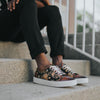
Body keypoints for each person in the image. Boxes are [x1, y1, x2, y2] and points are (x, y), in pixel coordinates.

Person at [0, 0, 88, 87]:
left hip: (19, 27)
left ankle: (58, 64)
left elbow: (43, 5)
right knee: (27, 2)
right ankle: (43, 68)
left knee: (53, 10)